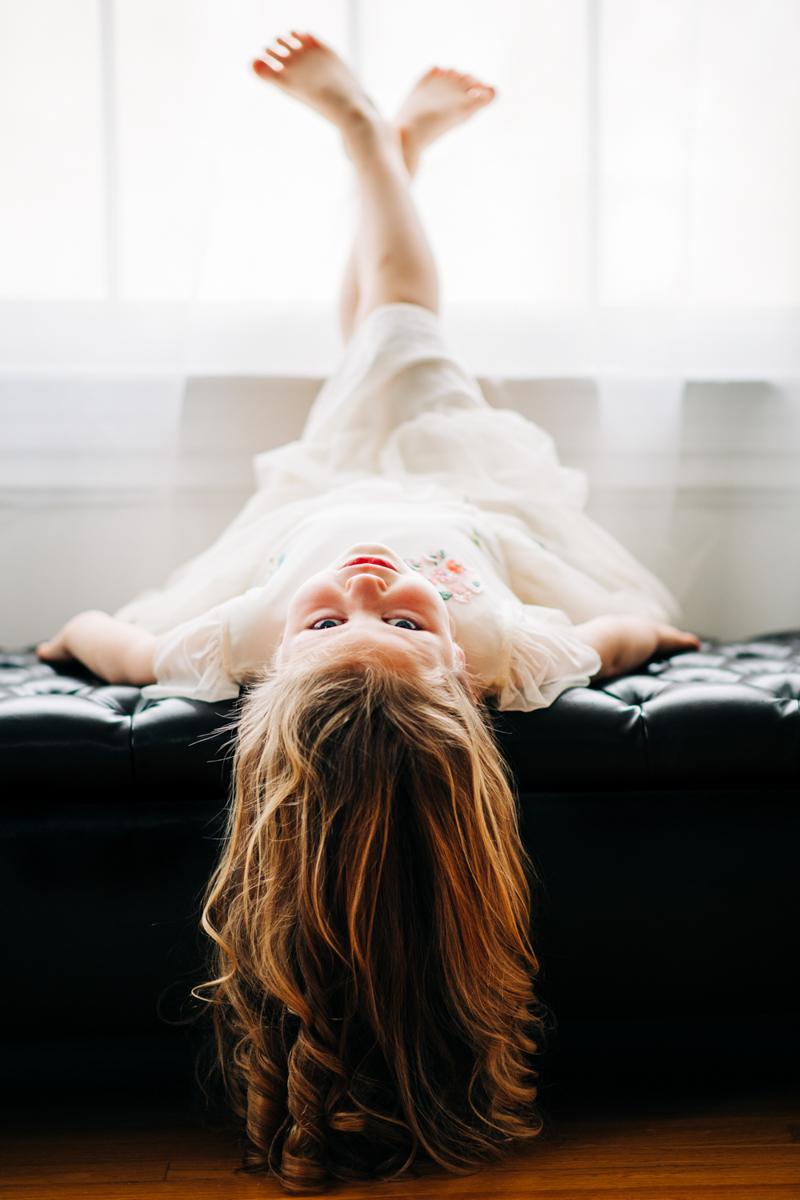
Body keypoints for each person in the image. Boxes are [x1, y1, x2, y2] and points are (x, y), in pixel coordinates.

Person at [38, 33, 699, 1193]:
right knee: (394, 330)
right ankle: (382, 145)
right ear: (460, 671)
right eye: (404, 628)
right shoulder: (504, 647)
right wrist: (656, 631)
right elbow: (605, 640)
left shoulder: (238, 633)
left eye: (326, 625)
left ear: (272, 665)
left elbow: (129, 650)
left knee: (377, 343)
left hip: (318, 498)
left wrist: (73, 633)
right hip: (468, 489)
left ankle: (371, 140)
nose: (365, 591)